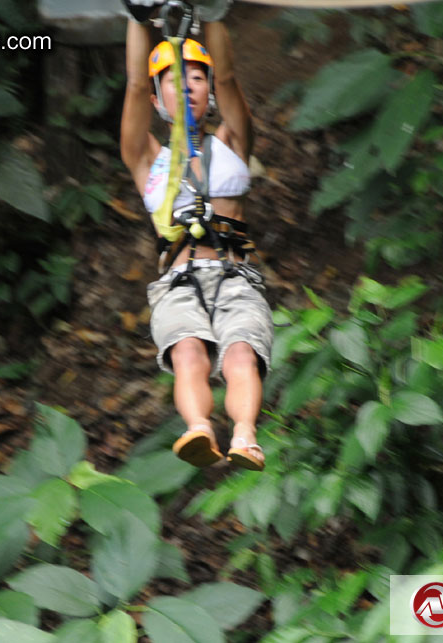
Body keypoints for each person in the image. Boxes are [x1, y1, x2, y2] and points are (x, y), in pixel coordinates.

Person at [120, 0, 274, 471]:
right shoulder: (146, 158)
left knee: (241, 355)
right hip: (180, 280)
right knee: (189, 353)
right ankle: (199, 429)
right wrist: (136, 19)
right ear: (156, 97)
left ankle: (245, 436)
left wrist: (213, 14)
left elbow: (229, 79)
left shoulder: (231, 141)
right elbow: (132, 83)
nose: (186, 87)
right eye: (173, 80)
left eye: (195, 78)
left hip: (235, 276)